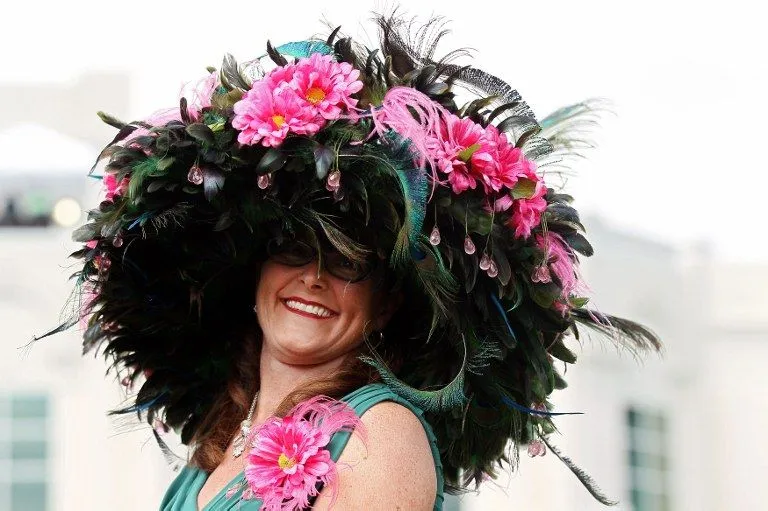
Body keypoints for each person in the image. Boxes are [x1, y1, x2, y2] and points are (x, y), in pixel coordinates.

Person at [47, 12, 660, 511]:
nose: (313, 277)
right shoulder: (217, 445)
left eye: (347, 265)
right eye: (293, 251)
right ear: (255, 273)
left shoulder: (380, 436)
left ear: (386, 301)